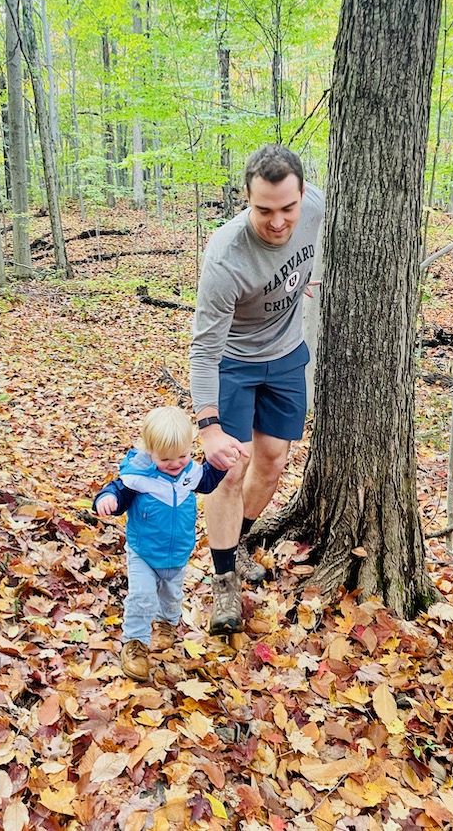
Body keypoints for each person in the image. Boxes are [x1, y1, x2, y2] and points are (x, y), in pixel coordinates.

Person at [190, 144, 325, 635]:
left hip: (287, 357)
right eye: (263, 209)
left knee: (271, 462)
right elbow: (203, 350)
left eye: (287, 208)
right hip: (234, 363)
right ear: (245, 199)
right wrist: (207, 428)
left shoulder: (314, 207)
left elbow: (330, 233)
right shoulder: (226, 257)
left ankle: (238, 541)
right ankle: (223, 582)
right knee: (231, 469)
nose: (277, 221)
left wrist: (308, 275)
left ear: (302, 195)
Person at [93, 406, 226, 680]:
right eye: (166, 459)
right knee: (142, 598)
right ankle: (135, 644)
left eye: (183, 455)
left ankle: (168, 624)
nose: (176, 464)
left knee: (171, 596)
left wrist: (222, 464)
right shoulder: (139, 477)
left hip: (178, 554)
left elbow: (209, 480)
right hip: (144, 552)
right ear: (149, 451)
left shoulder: (189, 472)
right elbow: (117, 490)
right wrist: (108, 500)